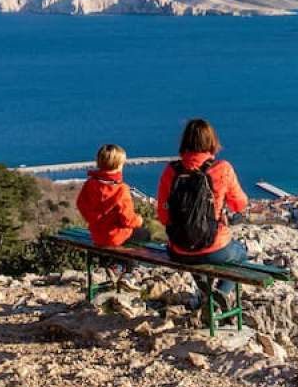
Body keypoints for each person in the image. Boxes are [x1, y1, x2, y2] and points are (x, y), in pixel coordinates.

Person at [156, 118, 249, 310]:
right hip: (215, 248)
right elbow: (240, 203)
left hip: (179, 250)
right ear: (212, 141)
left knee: (194, 254)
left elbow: (163, 216)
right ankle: (220, 294)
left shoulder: (170, 171)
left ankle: (206, 295)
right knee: (241, 254)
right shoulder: (221, 168)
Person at [76, 143, 144, 247]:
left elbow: (81, 204)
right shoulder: (121, 189)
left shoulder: (90, 183)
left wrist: (93, 220)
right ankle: (130, 262)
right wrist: (139, 220)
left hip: (97, 235)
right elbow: (127, 220)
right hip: (116, 236)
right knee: (145, 234)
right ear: (118, 165)